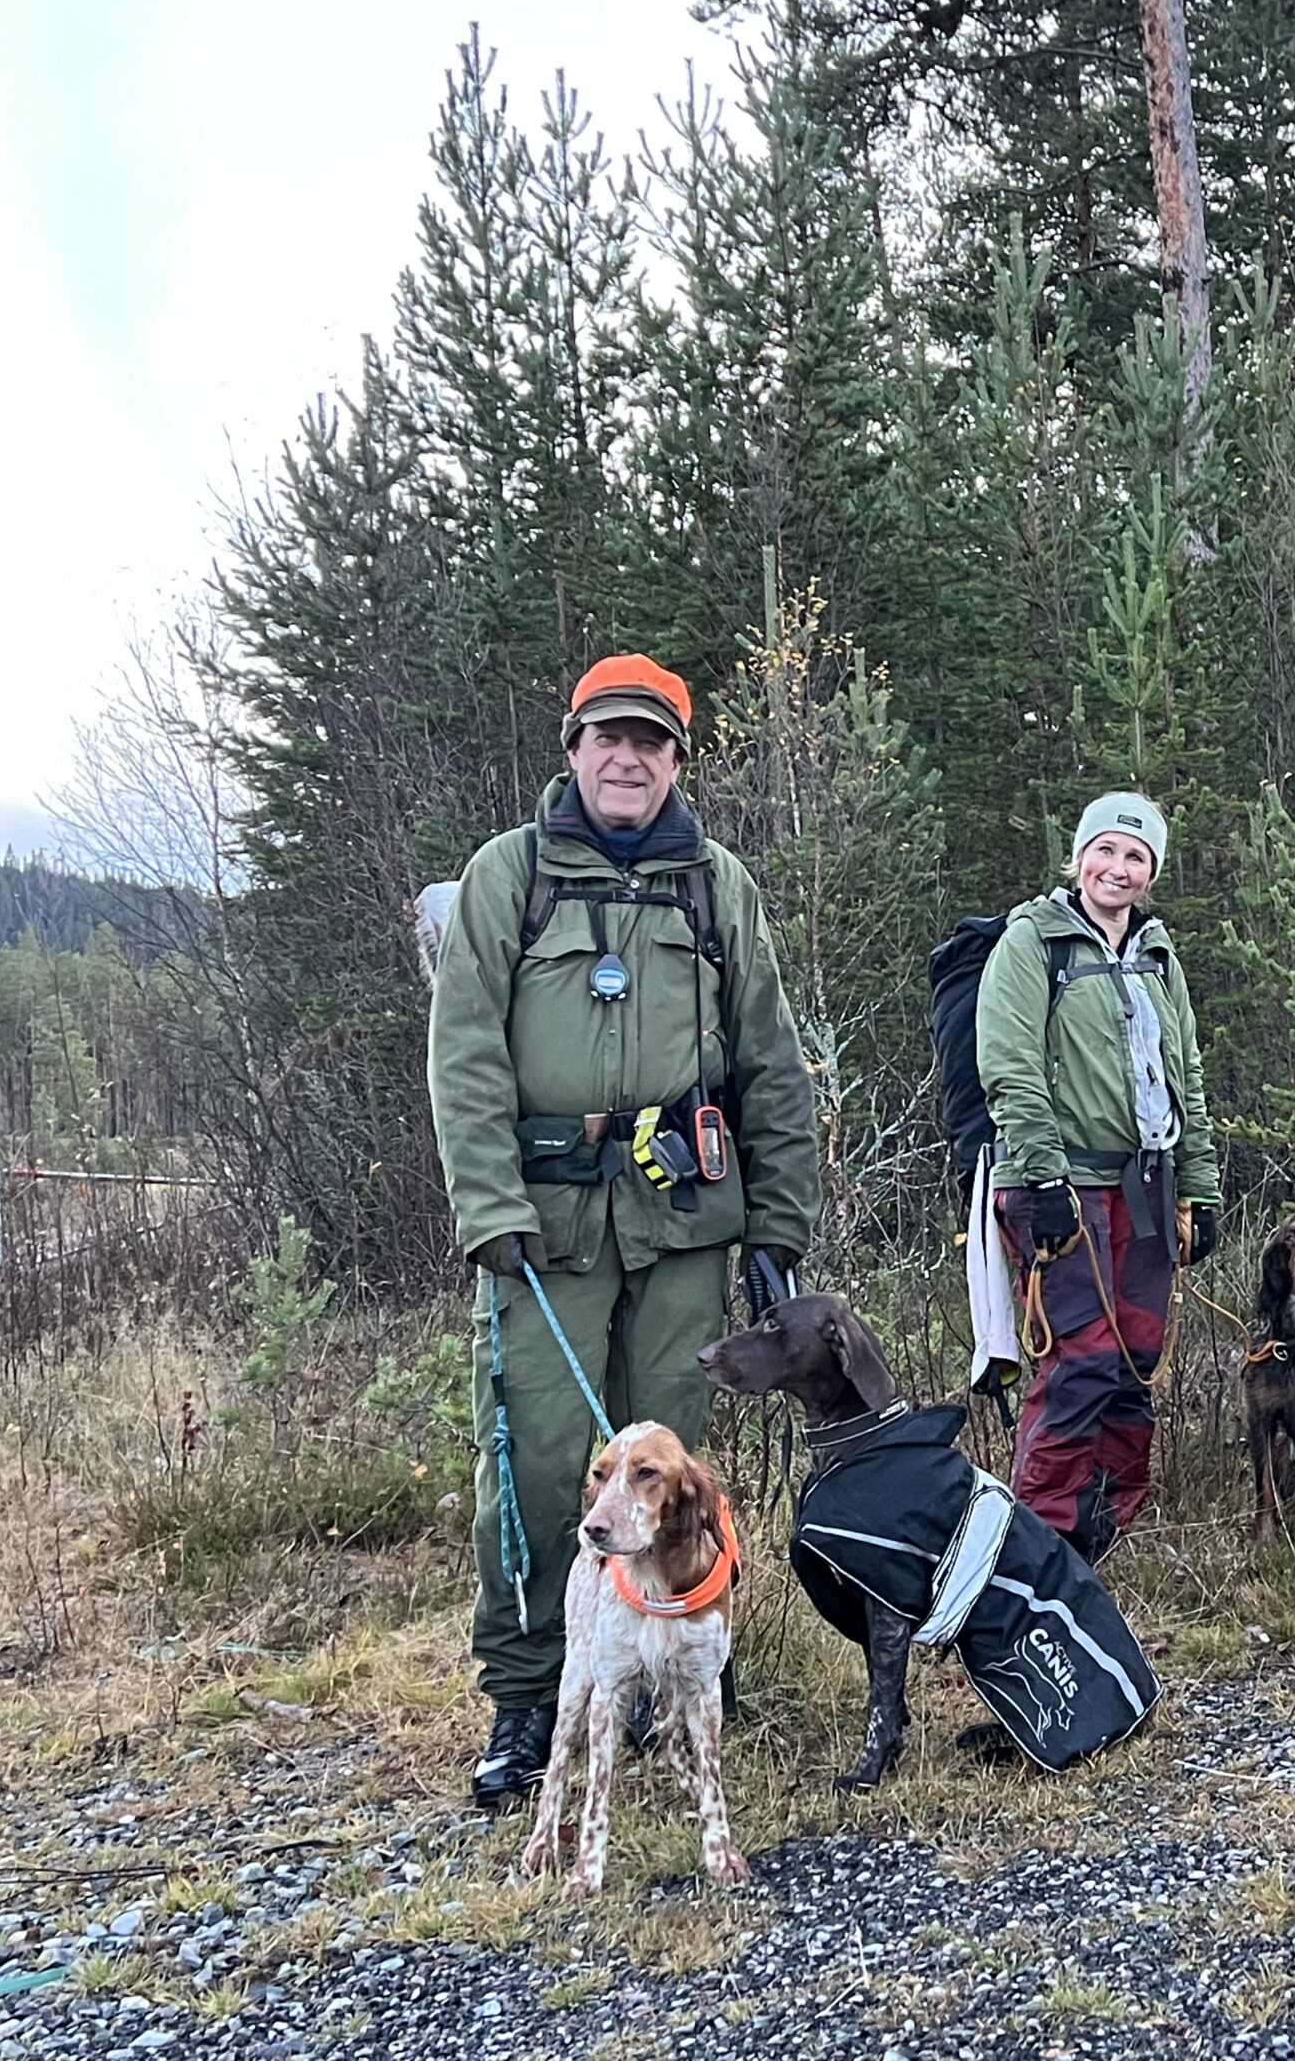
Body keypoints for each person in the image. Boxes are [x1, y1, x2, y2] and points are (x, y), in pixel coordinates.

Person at [428, 653, 820, 1807]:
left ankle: (673, 1677)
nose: (627, 757)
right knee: (543, 1461)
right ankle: (529, 1696)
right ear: (573, 747)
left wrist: (778, 1225)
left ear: (677, 762)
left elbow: (771, 1061)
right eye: (608, 736)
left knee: (670, 1472)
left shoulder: (716, 884)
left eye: (650, 742)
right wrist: (488, 1209)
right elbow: (464, 1059)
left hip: (688, 1221)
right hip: (539, 1229)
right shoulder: (511, 876)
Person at [977, 793, 1222, 1563]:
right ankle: (1040, 1541)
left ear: (1151, 873)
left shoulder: (1157, 952)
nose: (1118, 869)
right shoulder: (1032, 943)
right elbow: (1009, 1065)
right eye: (1106, 851)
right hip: (1062, 1185)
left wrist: (1200, 1186)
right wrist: (1044, 1182)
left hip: (1146, 1185)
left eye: (1136, 857)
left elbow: (1186, 1071)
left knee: (1134, 1361)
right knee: (1078, 1361)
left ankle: (1104, 1531)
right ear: (1079, 857)